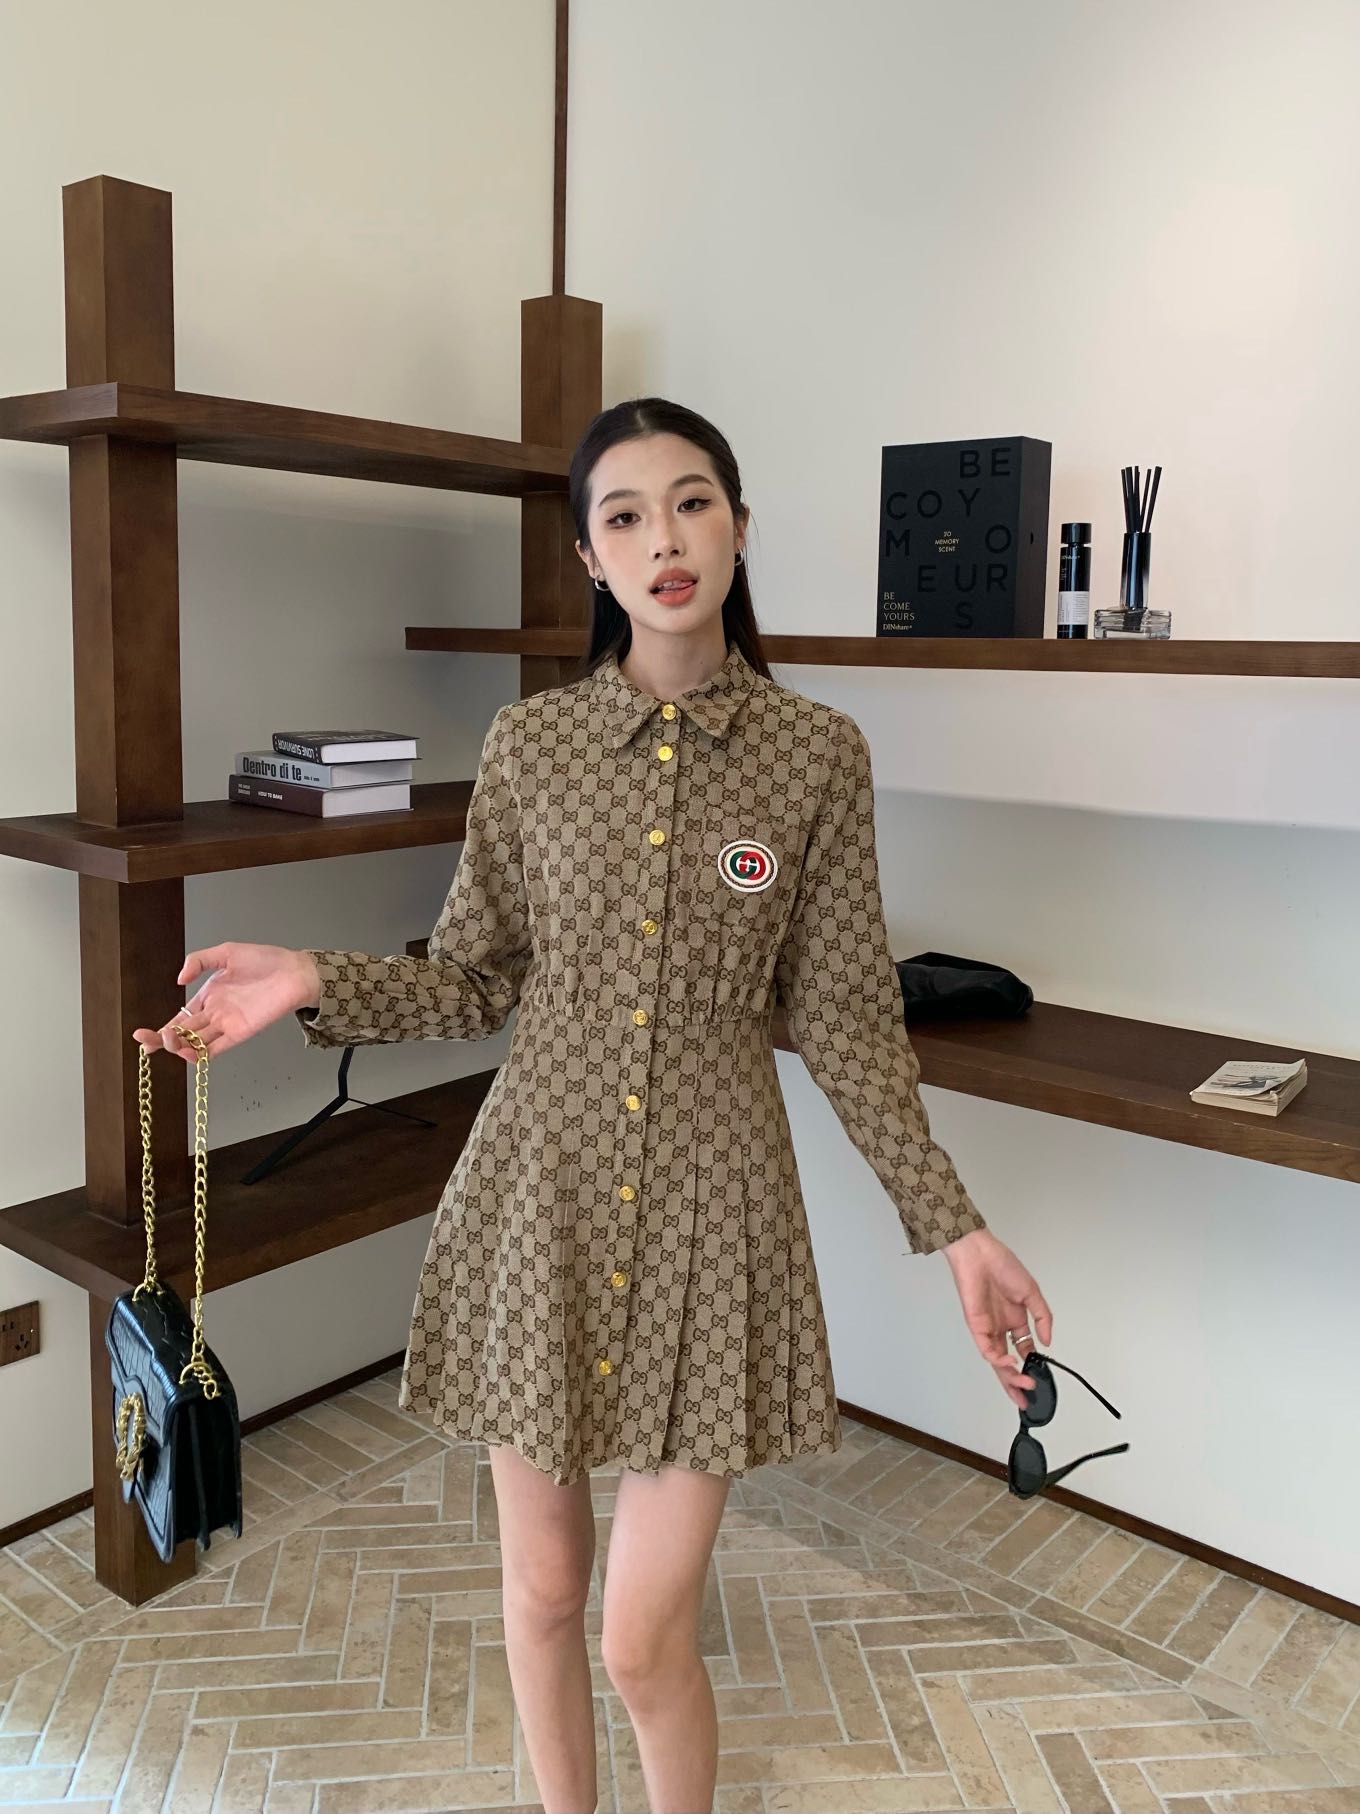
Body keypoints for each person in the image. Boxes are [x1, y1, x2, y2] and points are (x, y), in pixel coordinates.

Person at [133, 397, 1051, 1814]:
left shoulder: (816, 755)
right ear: (589, 556)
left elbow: (849, 1018)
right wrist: (312, 973)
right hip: (538, 1201)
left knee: (639, 1639)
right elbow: (472, 981)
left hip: (717, 1219)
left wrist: (958, 1228)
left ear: (738, 527)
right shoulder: (532, 747)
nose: (663, 539)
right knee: (546, 1592)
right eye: (625, 515)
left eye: (692, 503)